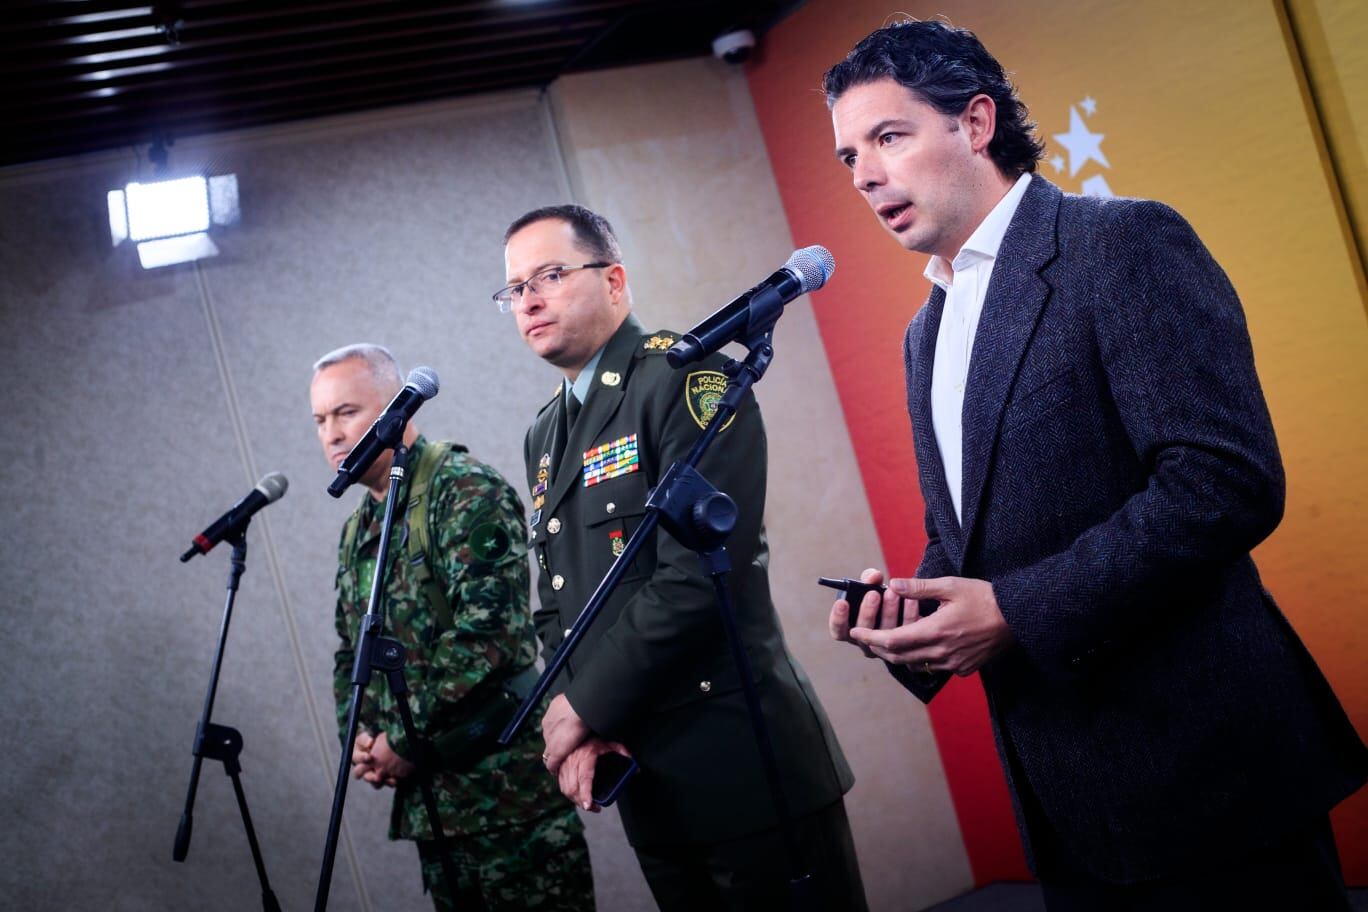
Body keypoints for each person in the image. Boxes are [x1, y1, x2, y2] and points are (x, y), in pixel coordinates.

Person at [821, 19, 1368, 911]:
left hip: (1205, 772)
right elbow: (970, 534)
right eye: (849, 156)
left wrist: (1015, 611)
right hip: (1066, 799)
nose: (866, 175)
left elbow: (1223, 481)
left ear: (976, 122)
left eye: (889, 136)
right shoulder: (926, 332)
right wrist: (908, 621)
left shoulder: (1119, 244)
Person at [497, 205, 867, 910]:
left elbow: (696, 578)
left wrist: (584, 704)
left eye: (549, 274)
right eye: (515, 288)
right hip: (645, 780)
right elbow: (557, 599)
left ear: (614, 280)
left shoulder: (683, 380)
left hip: (742, 769)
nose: (530, 299)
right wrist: (582, 727)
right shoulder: (545, 432)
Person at [309, 344, 594, 912]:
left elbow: (488, 636)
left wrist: (400, 737)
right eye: (320, 420)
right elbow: (352, 655)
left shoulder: (463, 489)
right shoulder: (361, 527)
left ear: (398, 410)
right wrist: (362, 741)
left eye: (346, 412)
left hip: (506, 800)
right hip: (433, 809)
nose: (332, 435)